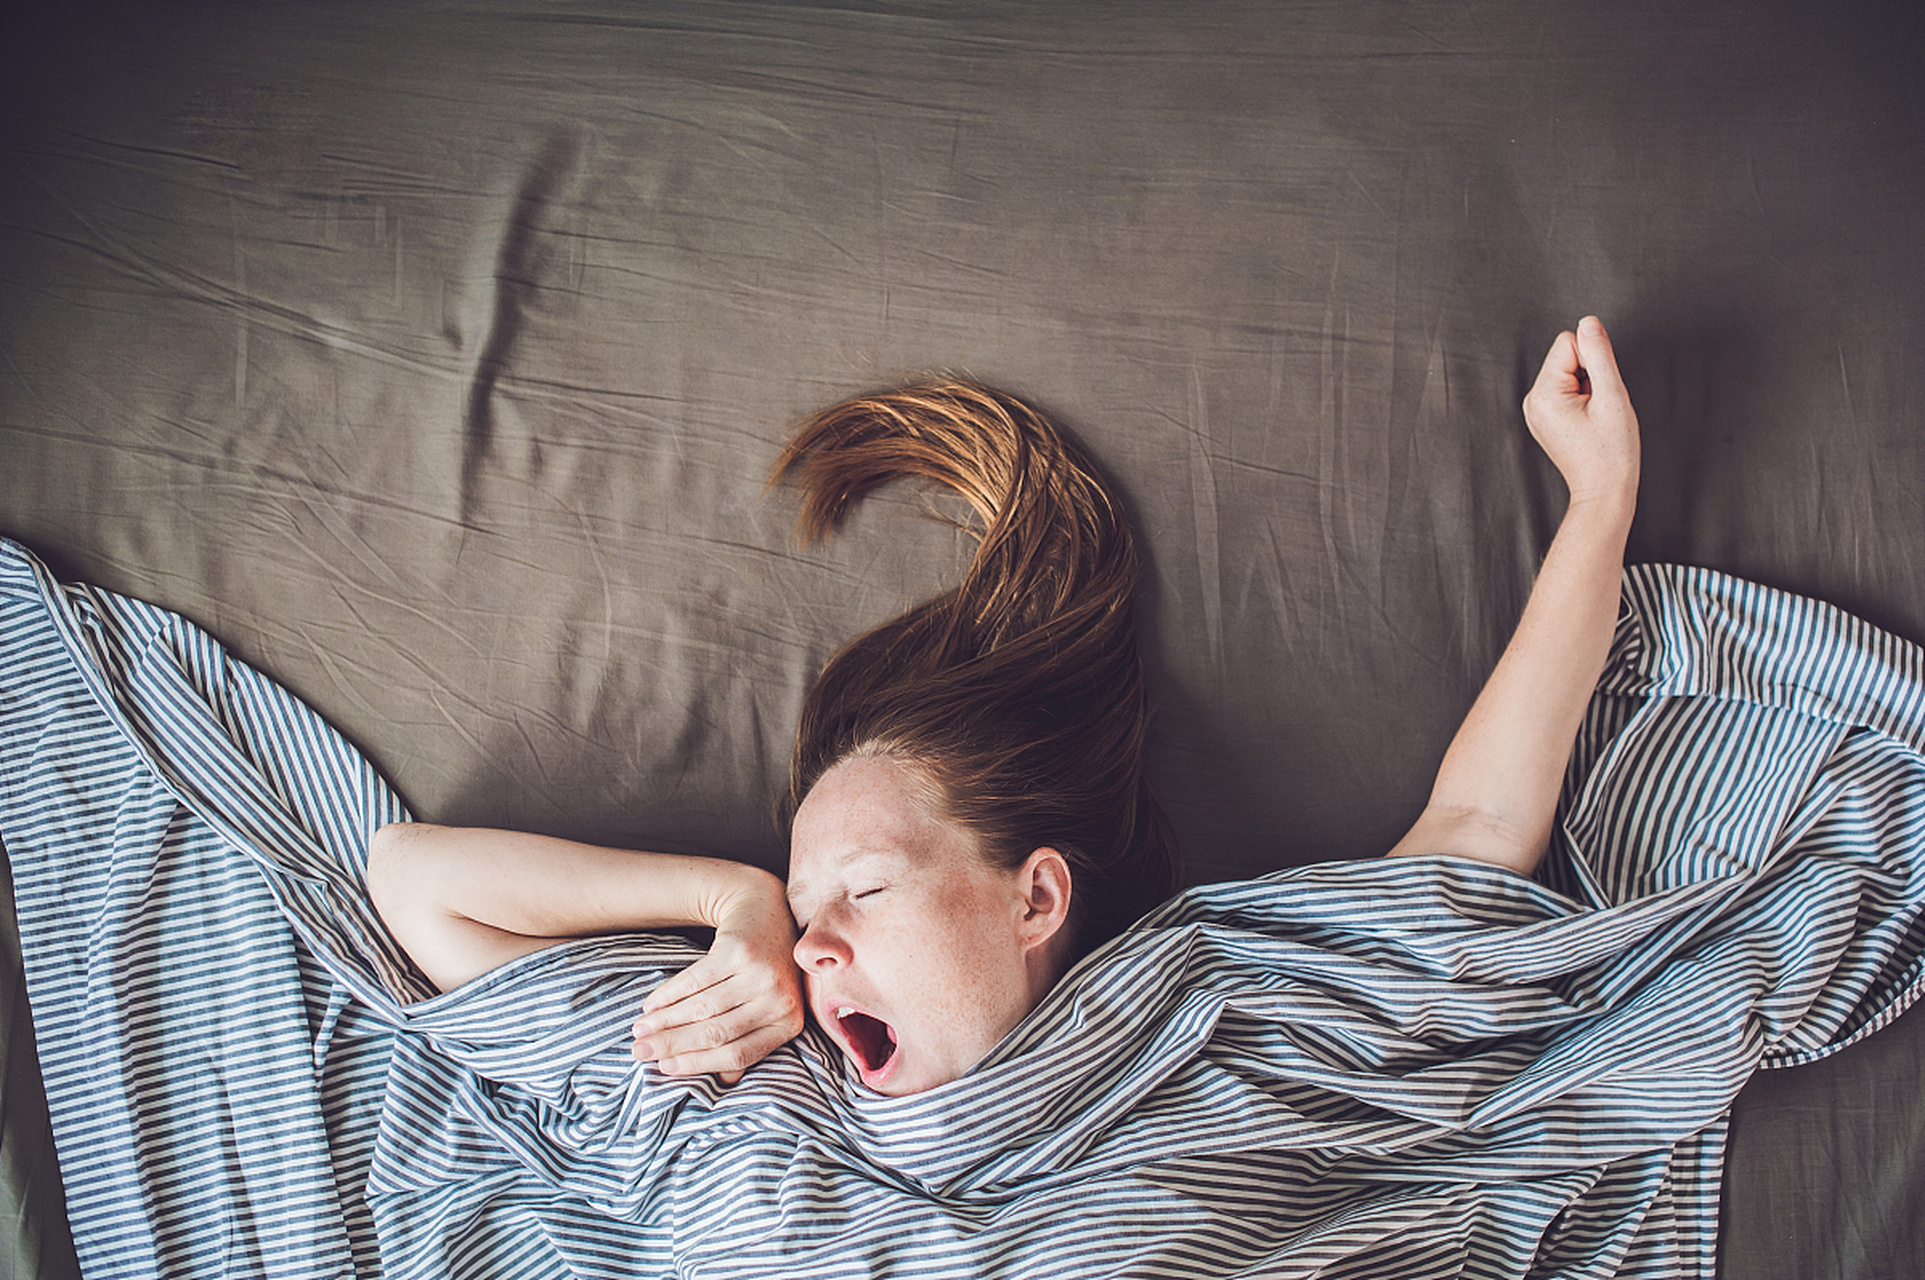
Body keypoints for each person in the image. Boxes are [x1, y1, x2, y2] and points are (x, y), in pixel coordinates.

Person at [367, 315, 1640, 1098]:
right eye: (812, 906)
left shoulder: (1209, 1026)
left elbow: (1472, 829)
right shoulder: (752, 1064)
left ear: (1034, 896)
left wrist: (1597, 501)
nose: (816, 946)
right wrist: (735, 902)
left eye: (861, 890)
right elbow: (415, 878)